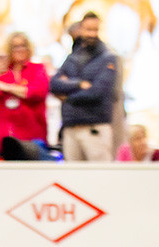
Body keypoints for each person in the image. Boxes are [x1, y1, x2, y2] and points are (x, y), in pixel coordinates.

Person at [49, 11, 119, 162]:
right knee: (72, 179)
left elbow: (97, 92)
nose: (92, 34)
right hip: (71, 128)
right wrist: (79, 84)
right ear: (80, 30)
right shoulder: (72, 58)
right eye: (88, 29)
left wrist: (67, 97)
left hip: (95, 127)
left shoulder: (108, 58)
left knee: (99, 177)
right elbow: (54, 84)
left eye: (95, 30)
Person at [0, 31, 49, 156]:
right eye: (15, 46)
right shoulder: (3, 71)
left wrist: (6, 87)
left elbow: (35, 92)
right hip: (6, 134)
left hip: (32, 133)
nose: (20, 49)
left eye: (23, 45)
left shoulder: (37, 69)